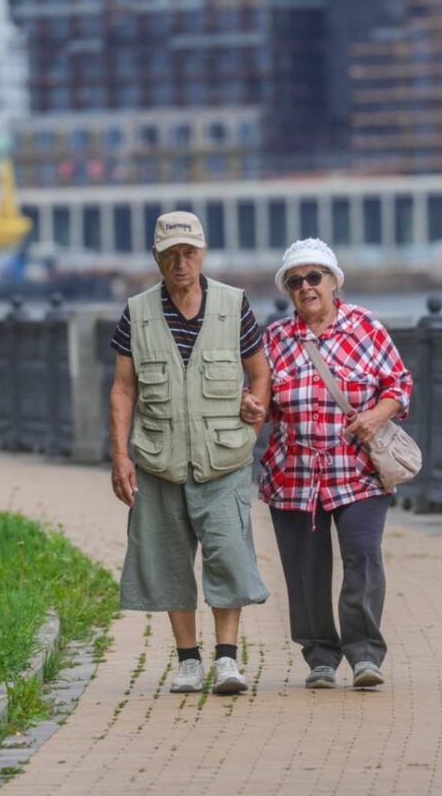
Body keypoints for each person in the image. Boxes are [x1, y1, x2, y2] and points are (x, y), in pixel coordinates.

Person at [109, 210, 271, 696]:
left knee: (228, 555)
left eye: (190, 253)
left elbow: (259, 372)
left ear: (203, 253)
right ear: (156, 257)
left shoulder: (234, 305)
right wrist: (120, 456)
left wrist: (255, 411)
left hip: (223, 459)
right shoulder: (136, 313)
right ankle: (187, 662)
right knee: (168, 560)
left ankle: (227, 660)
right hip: (159, 461)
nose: (182, 263)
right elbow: (123, 389)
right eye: (171, 254)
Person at [241, 238, 412, 690]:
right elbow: (260, 399)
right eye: (295, 281)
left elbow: (399, 384)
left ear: (334, 281)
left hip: (358, 471)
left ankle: (365, 653)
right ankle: (319, 656)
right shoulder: (274, 338)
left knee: (363, 558)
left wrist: (376, 416)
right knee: (305, 571)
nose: (305, 287)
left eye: (314, 277)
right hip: (294, 475)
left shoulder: (366, 328)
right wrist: (251, 406)